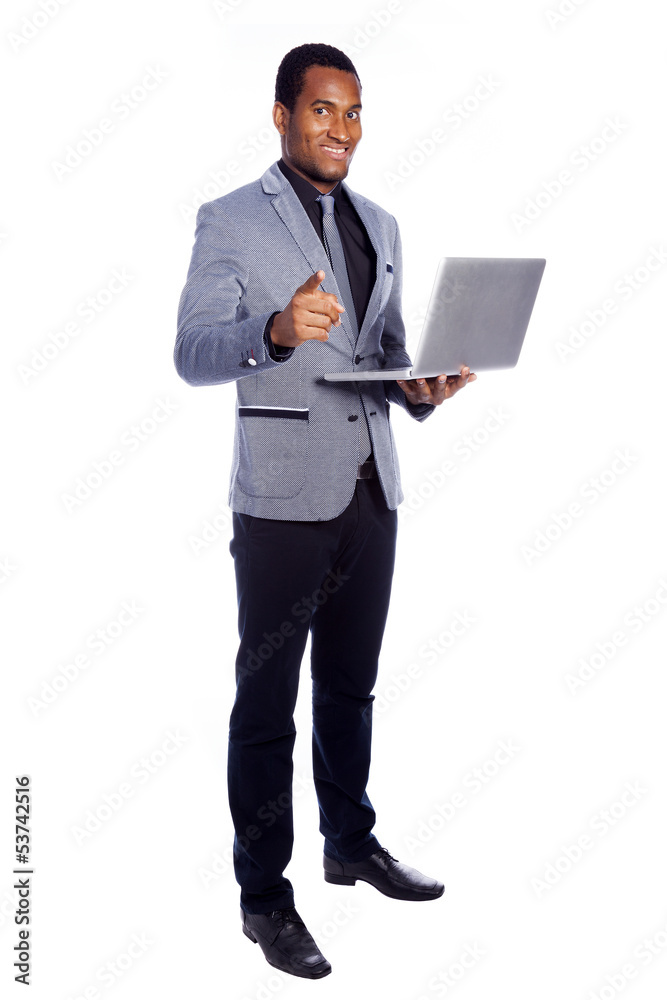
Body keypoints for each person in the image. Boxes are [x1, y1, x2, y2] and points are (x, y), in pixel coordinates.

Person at [175, 42, 476, 980]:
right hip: (279, 500)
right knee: (266, 705)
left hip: (367, 489)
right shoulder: (229, 219)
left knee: (352, 687)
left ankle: (350, 842)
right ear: (280, 115)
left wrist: (422, 389)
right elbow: (191, 352)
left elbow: (379, 357)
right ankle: (264, 898)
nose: (339, 129)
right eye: (321, 111)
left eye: (351, 113)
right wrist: (268, 331)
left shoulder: (380, 223)